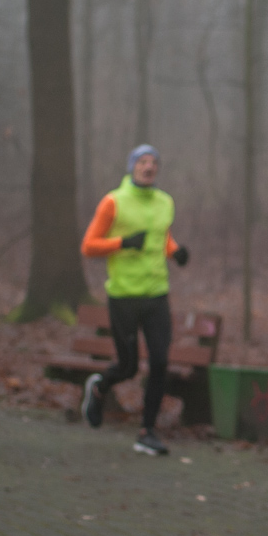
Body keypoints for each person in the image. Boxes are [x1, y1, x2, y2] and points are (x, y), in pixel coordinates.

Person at [79, 144, 189, 456]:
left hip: (156, 293)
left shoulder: (165, 202)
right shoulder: (113, 202)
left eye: (154, 162)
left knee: (160, 362)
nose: (148, 167)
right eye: (142, 161)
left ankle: (147, 431)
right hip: (124, 295)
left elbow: (160, 236)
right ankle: (100, 387)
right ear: (132, 167)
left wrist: (175, 251)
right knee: (127, 367)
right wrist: (123, 242)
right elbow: (89, 246)